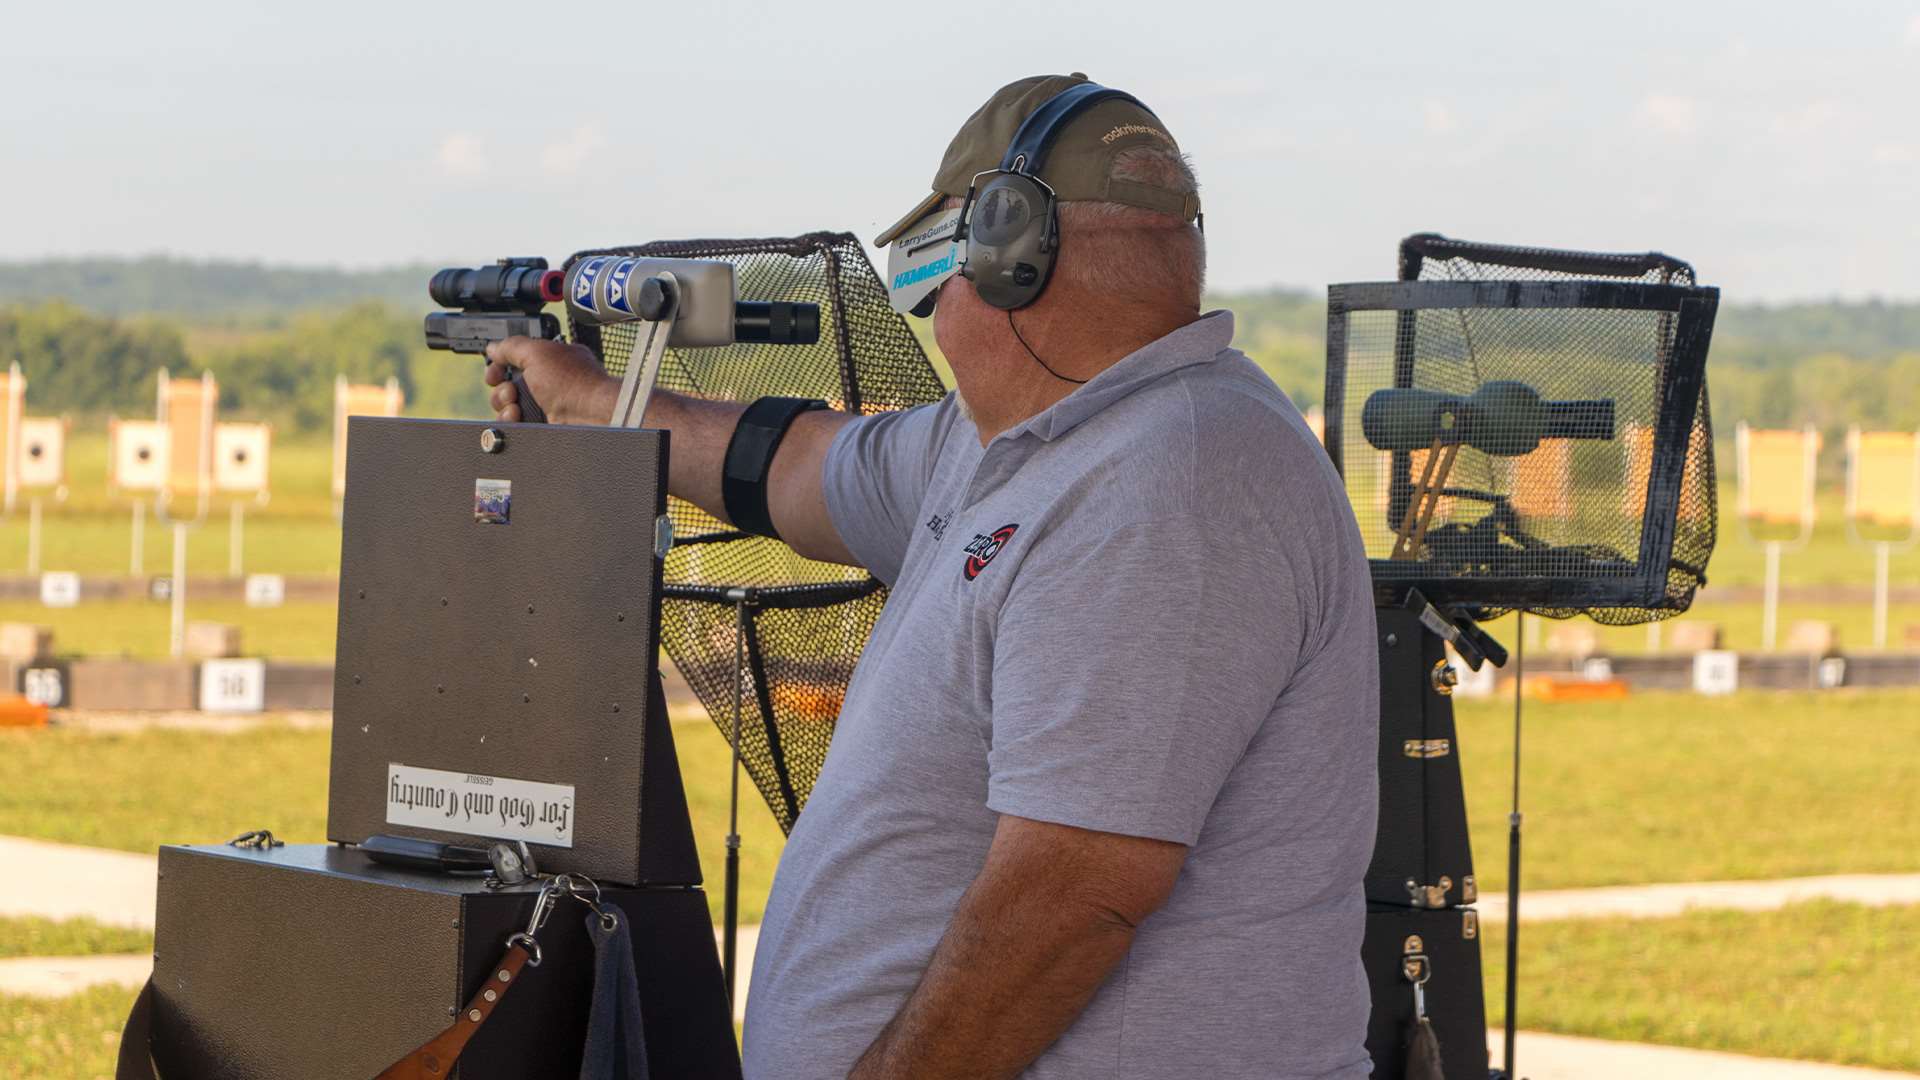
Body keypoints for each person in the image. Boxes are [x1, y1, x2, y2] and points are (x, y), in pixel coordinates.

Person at [484, 73, 1378, 1080]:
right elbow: (792, 467)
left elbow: (1072, 900)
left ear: (1009, 257)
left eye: (929, 267)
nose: (927, 309)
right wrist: (595, 403)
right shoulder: (1014, 446)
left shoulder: (1167, 482)